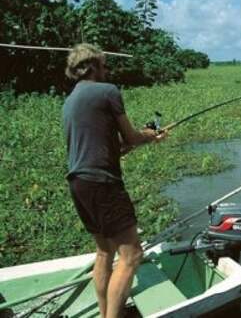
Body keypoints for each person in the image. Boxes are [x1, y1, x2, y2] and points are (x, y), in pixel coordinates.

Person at [62, 43, 166, 318]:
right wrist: (148, 136)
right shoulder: (107, 92)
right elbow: (131, 138)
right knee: (131, 255)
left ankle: (104, 312)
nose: (107, 70)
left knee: (104, 252)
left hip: (79, 183)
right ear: (92, 66)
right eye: (104, 64)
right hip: (102, 183)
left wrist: (138, 140)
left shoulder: (70, 100)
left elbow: (113, 146)